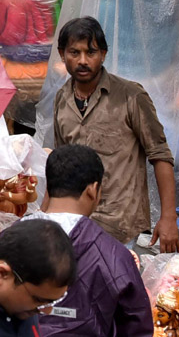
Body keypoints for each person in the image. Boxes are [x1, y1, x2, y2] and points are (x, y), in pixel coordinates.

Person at [52, 16, 178, 250]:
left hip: (119, 226)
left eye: (91, 52)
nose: (82, 61)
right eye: (74, 52)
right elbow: (61, 164)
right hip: (76, 223)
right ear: (62, 54)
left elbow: (160, 155)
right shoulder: (62, 99)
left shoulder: (130, 96)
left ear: (103, 54)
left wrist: (169, 216)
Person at [25, 144, 153, 335]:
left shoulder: (10, 238)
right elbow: (136, 325)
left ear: (49, 186)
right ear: (93, 190)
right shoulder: (114, 255)